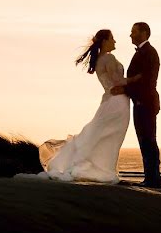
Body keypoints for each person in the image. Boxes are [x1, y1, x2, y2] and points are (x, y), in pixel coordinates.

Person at [18, 29, 131, 183]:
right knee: (110, 137)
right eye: (112, 38)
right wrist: (137, 79)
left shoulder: (99, 60)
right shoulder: (109, 58)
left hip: (109, 101)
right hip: (117, 102)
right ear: (104, 41)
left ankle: (98, 168)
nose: (115, 41)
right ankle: (102, 169)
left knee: (99, 134)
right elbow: (118, 81)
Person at [111, 22, 161, 188]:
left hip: (144, 102)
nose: (130, 35)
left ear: (144, 33)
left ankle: (153, 179)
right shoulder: (144, 52)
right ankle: (151, 178)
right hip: (141, 101)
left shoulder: (149, 53)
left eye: (133, 32)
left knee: (148, 140)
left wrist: (125, 88)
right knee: (145, 140)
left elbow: (147, 80)